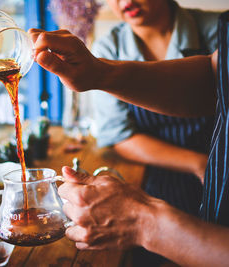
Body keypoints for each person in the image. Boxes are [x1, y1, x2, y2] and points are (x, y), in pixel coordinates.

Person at [28, 9, 229, 267]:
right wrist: (98, 73)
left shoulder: (209, 28)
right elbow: (215, 81)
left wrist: (143, 222)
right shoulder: (109, 45)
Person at [91, 1, 219, 264]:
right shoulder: (108, 49)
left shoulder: (217, 30)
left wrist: (213, 166)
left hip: (222, 174)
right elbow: (120, 135)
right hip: (155, 182)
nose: (125, 2)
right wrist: (197, 163)